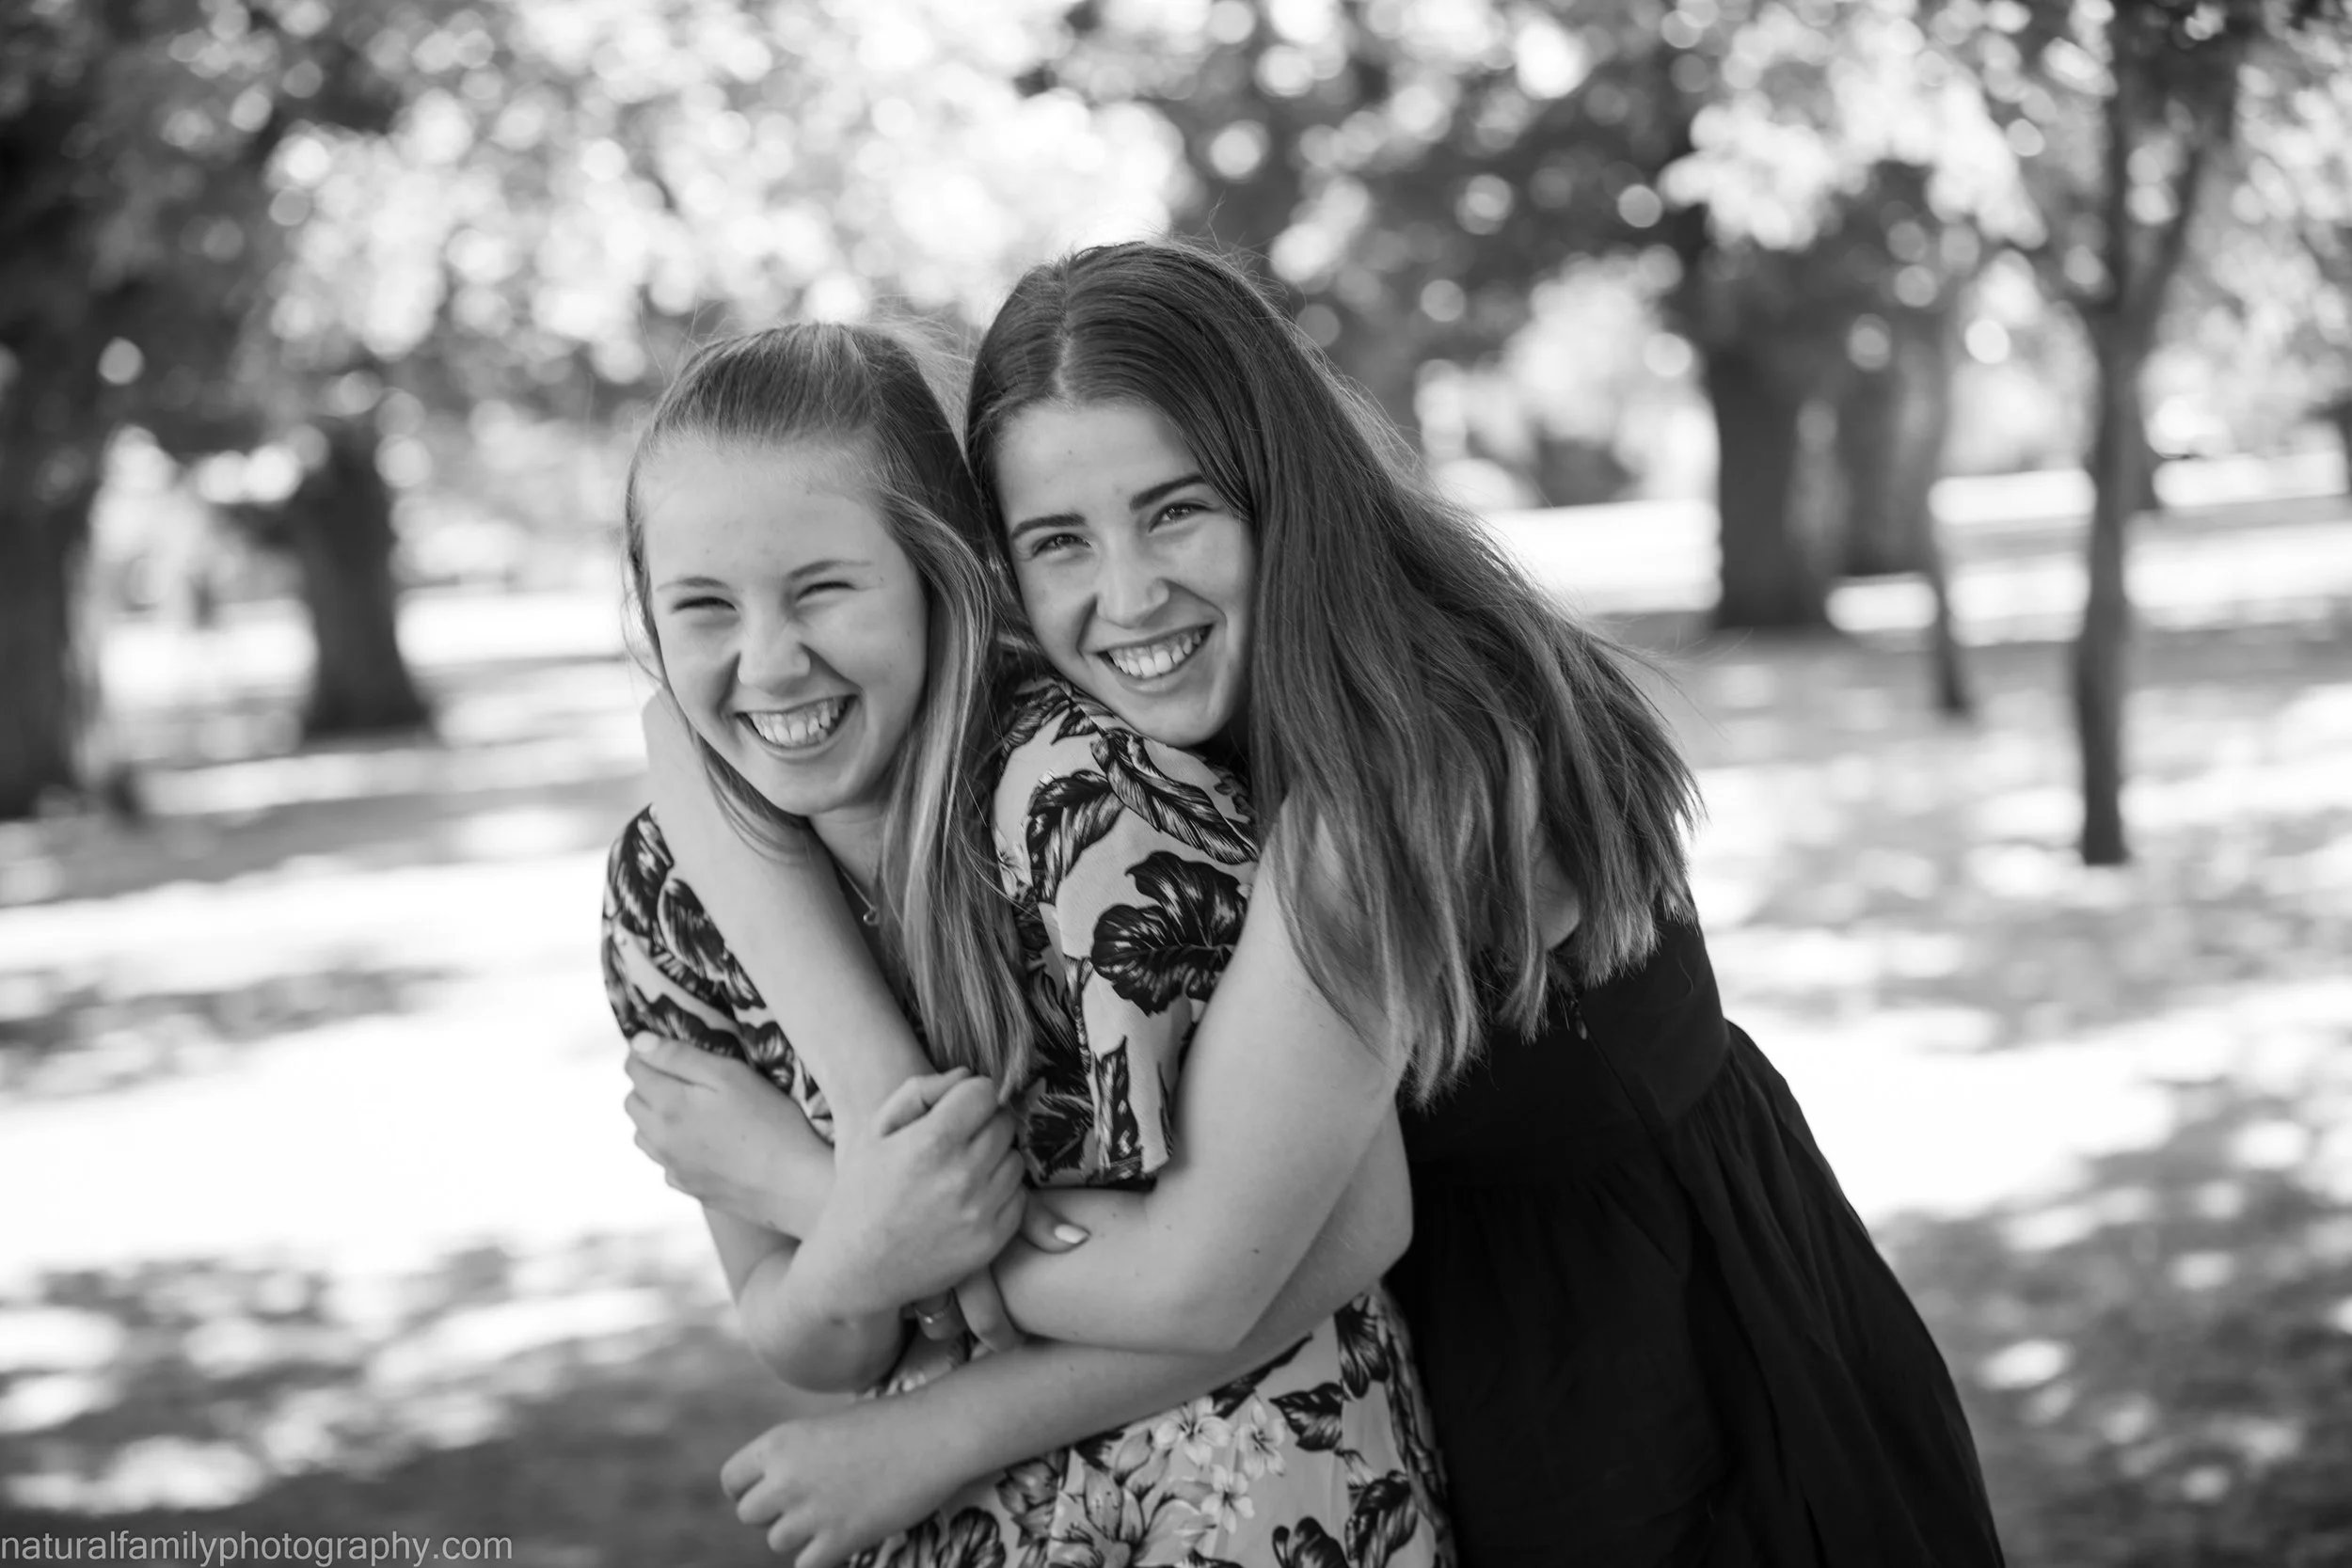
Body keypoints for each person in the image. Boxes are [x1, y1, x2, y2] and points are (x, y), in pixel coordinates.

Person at [634, 243, 2010, 1567]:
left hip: (1656, 1363)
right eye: (1058, 538)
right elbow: (676, 732)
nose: (1126, 593)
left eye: (1177, 508)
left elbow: (1199, 1277)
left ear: (1282, 485)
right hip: (1431, 1342)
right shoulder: (1148, 714)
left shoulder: (1409, 767)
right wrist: (878, 1149)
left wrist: (822, 1197)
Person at [599, 320, 1451, 1568]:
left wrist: (826, 1195)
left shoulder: (1085, 802)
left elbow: (1294, 1248)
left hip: (1242, 1480)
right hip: (946, 1524)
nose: (770, 659)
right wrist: (854, 1252)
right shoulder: (666, 893)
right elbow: (804, 1330)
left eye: (825, 587)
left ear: (946, 576)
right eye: (704, 606)